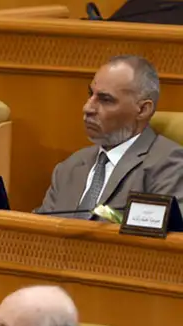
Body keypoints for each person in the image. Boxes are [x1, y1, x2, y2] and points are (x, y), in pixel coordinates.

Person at [37, 55, 183, 218]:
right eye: (90, 94)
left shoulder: (170, 167)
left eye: (105, 100)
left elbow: (163, 232)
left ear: (142, 110)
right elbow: (39, 228)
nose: (87, 108)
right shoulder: (69, 167)